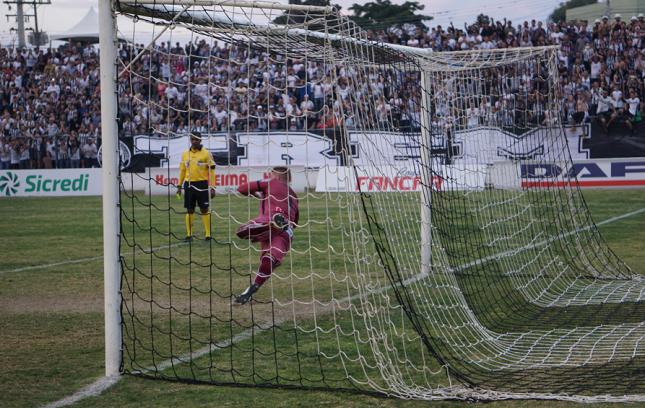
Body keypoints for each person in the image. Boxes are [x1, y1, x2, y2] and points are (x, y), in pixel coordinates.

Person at [234, 166, 299, 305]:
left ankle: (267, 227)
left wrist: (255, 194)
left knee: (242, 230)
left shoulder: (270, 182)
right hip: (287, 233)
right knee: (269, 261)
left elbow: (242, 188)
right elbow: (296, 222)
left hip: (268, 220)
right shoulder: (294, 196)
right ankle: (250, 290)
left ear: (275, 175)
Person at [176, 132, 216, 241]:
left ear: (200, 140)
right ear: (190, 140)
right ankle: (189, 235)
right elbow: (182, 170)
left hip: (202, 184)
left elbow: (211, 171)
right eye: (192, 139)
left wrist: (213, 187)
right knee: (189, 210)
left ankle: (208, 235)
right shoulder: (185, 154)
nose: (194, 141)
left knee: (204, 209)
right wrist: (179, 186)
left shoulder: (207, 154)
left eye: (196, 140)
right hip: (189, 185)